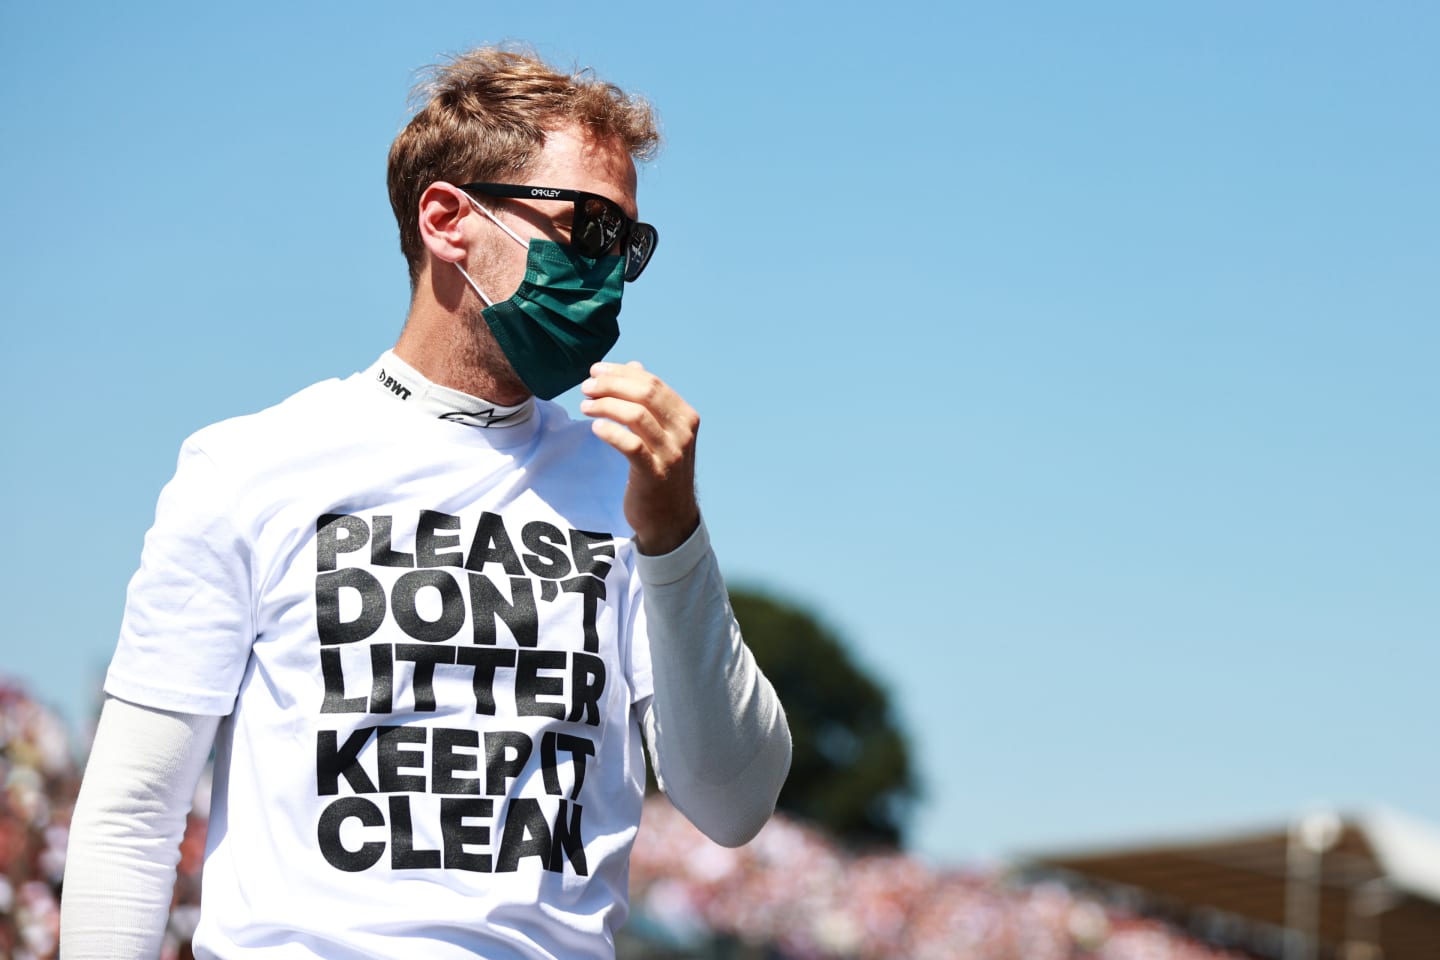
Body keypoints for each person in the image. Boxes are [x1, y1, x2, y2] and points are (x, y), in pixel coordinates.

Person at [60, 46, 791, 959]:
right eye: (590, 229)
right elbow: (131, 815)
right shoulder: (249, 466)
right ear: (449, 219)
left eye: (629, 247)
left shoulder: (627, 488)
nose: (610, 275)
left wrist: (675, 534)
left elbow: (735, 801)